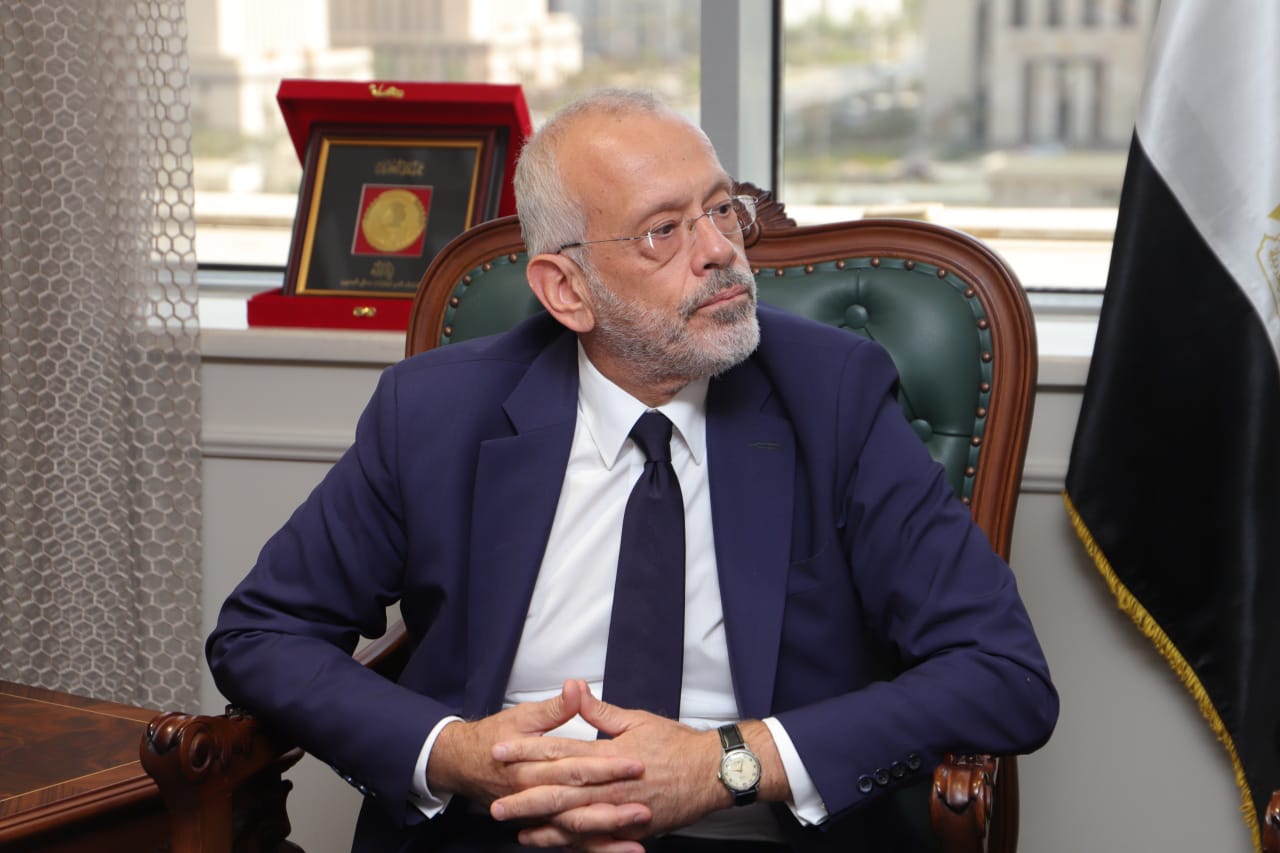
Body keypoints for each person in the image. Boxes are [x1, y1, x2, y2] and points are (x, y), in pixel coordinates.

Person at [208, 89, 1058, 852]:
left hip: (749, 829)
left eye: (721, 210)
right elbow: (261, 632)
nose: (720, 251)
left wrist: (728, 763)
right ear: (566, 290)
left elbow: (1002, 673)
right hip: (496, 830)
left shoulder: (834, 394)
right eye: (664, 229)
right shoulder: (438, 410)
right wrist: (455, 753)